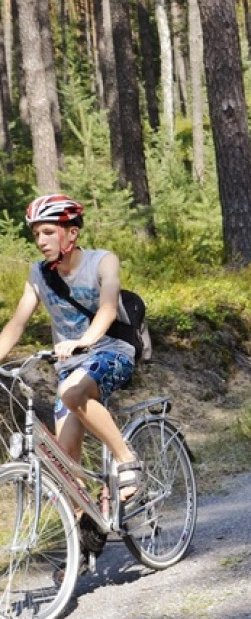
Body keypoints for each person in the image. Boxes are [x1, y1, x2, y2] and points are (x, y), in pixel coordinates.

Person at [0, 195, 142, 509]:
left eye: (48, 231)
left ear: (71, 233)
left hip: (111, 353)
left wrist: (84, 341)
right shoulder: (38, 274)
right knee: (64, 467)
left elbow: (107, 308)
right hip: (71, 369)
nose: (40, 240)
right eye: (36, 234)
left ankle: (126, 461)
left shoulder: (103, 261)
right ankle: (86, 533)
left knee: (70, 392)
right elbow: (17, 323)